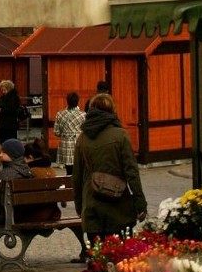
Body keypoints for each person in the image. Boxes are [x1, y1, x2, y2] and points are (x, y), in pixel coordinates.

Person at [73, 92, 147, 239]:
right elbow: (131, 173)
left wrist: (80, 205)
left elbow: (76, 176)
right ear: (112, 110)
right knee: (121, 256)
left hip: (92, 205)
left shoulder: (82, 138)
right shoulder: (121, 135)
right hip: (118, 205)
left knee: (97, 256)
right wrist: (140, 204)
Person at [52, 91, 86, 175]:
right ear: (78, 101)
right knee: (79, 169)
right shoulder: (83, 115)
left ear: (67, 101)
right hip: (79, 144)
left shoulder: (60, 114)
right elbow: (86, 131)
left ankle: (69, 184)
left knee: (69, 171)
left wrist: (65, 135)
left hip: (65, 144)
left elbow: (56, 132)